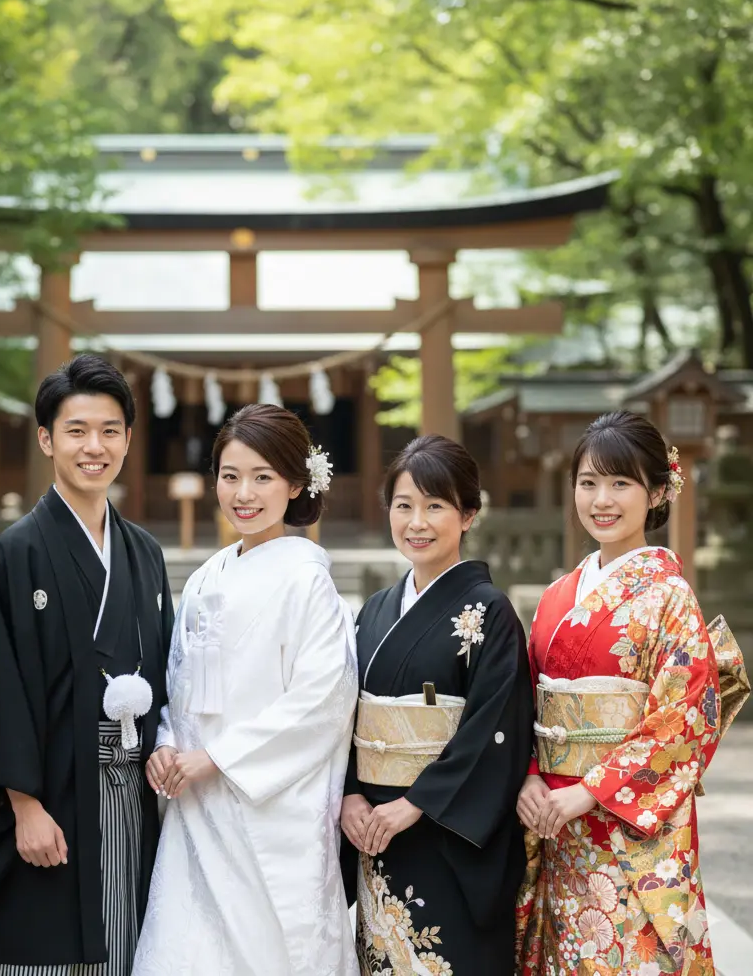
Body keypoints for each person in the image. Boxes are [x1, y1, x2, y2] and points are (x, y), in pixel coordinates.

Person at [0, 354, 175, 975]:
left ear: (129, 439)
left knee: (123, 941)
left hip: (128, 789)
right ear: (48, 440)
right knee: (43, 944)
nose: (94, 447)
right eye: (76, 431)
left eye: (109, 431)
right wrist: (23, 805)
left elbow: (165, 668)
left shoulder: (144, 553)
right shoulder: (18, 550)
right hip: (48, 788)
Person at [133, 403, 359, 976]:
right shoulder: (209, 574)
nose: (244, 493)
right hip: (194, 802)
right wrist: (164, 742)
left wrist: (218, 757)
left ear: (295, 483)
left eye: (262, 477)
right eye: (230, 476)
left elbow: (323, 702)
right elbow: (177, 680)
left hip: (268, 812)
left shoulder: (308, 581)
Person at [515, 410, 731, 976]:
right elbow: (525, 701)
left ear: (657, 491)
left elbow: (685, 720)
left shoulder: (669, 597)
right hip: (554, 820)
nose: (601, 500)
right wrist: (531, 775)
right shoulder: (559, 594)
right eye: (588, 483)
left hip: (627, 825)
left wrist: (587, 793)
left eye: (620, 483)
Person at [340, 434, 534, 976]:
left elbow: (495, 729)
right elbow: (343, 716)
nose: (416, 522)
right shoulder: (375, 609)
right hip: (375, 830)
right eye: (403, 506)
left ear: (468, 514)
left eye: (435, 506)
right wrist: (351, 793)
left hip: (444, 834)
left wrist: (415, 804)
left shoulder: (490, 613)